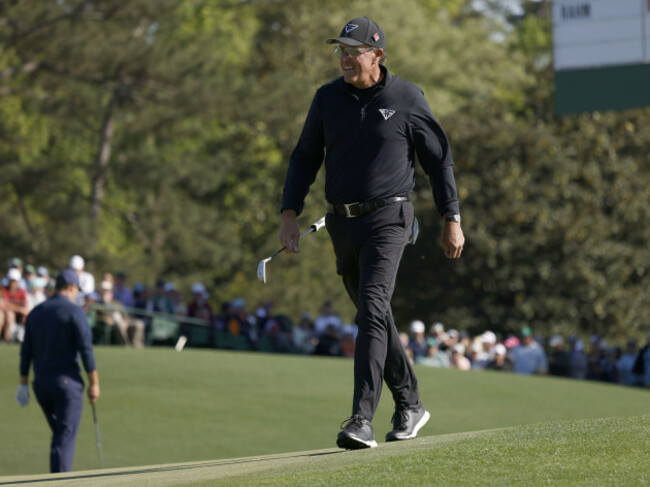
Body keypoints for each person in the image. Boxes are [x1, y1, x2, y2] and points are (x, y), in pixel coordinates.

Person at [277, 16, 464, 450]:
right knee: (374, 314)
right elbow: (304, 157)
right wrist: (289, 213)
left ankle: (361, 418)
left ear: (377, 55)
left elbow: (439, 161)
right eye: (340, 49)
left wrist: (451, 216)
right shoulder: (326, 99)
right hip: (342, 223)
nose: (343, 56)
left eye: (352, 49)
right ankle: (410, 403)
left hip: (390, 219)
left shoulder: (407, 97)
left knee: (372, 309)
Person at [16, 269, 100, 473]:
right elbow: (86, 350)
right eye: (75, 290)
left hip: (41, 385)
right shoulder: (75, 311)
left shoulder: (36, 312)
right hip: (67, 386)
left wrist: (23, 383)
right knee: (63, 440)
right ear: (71, 288)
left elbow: (26, 351)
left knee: (60, 437)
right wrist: (94, 383)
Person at [1, 268, 30, 342]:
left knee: (10, 314)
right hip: (5, 314)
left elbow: (25, 309)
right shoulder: (2, 290)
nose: (12, 283)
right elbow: (2, 305)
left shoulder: (22, 292)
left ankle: (7, 339)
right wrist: (18, 309)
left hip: (18, 317)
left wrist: (13, 308)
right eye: (11, 280)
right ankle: (5, 338)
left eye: (14, 281)